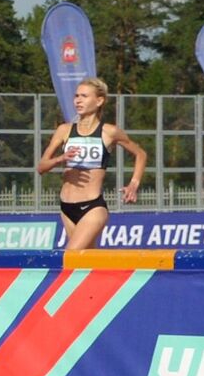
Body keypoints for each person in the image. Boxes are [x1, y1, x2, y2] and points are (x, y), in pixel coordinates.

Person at [37, 75, 147, 250]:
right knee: (86, 263)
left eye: (84, 96)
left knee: (70, 257)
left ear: (99, 101)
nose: (78, 101)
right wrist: (60, 159)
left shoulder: (109, 132)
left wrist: (133, 184)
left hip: (92, 207)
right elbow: (41, 167)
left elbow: (140, 154)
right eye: (76, 96)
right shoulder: (64, 130)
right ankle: (107, 277)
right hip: (66, 207)